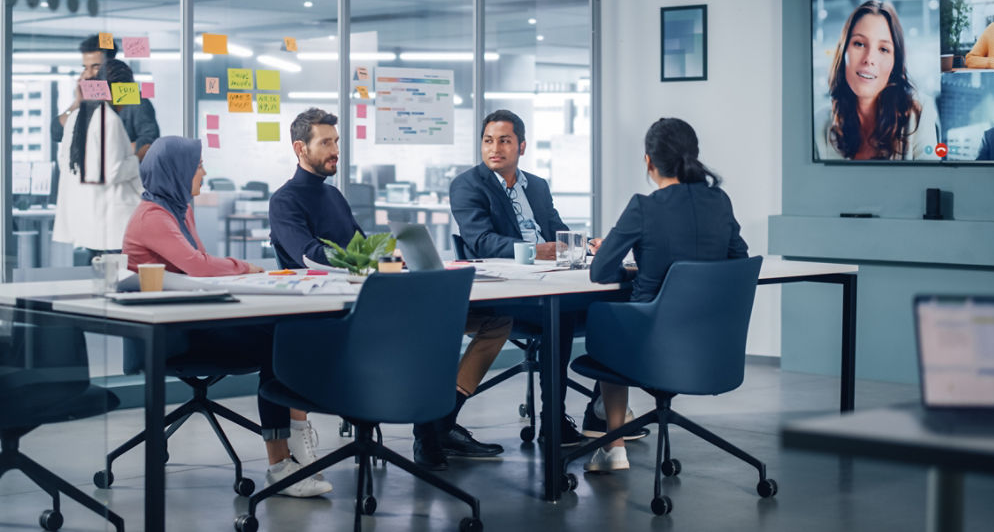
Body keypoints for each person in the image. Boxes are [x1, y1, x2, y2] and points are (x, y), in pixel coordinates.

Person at [269, 108, 510, 471]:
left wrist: (398, 258)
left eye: (336, 141)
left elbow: (365, 247)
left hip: (372, 302)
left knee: (493, 319)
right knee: (425, 331)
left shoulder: (333, 197)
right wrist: (367, 259)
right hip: (337, 317)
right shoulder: (285, 200)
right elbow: (311, 256)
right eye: (326, 143)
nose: (335, 149)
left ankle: (440, 421)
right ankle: (430, 437)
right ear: (300, 148)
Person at [121, 136, 331, 497]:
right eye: (198, 165)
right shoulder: (153, 216)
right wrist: (244, 267)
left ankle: (293, 446)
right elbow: (199, 267)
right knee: (279, 341)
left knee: (285, 333)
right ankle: (282, 463)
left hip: (194, 320)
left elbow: (197, 272)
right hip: (170, 336)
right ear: (178, 172)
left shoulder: (177, 208)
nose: (204, 171)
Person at [449, 109, 646, 447]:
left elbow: (558, 231)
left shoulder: (536, 186)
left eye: (505, 141)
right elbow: (481, 243)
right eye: (488, 141)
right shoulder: (468, 185)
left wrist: (590, 245)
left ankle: (599, 413)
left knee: (619, 305)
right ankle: (553, 423)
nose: (494, 148)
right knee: (564, 309)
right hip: (509, 293)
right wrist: (536, 250)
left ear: (521, 147)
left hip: (551, 278)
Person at [583, 117, 749, 472]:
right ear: (694, 156)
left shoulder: (644, 206)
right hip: (712, 347)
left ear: (648, 161)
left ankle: (613, 446)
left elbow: (599, 272)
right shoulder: (719, 201)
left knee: (606, 316)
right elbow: (739, 260)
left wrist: (632, 270)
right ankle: (609, 423)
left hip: (650, 346)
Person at [814, 0, 938, 161]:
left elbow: (929, 180)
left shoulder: (920, 113)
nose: (869, 59)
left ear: (895, 62)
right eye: (859, 44)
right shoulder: (820, 123)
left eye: (884, 49)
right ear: (843, 51)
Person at [52, 63, 144, 257]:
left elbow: (67, 165)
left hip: (90, 218)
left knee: (101, 275)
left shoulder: (78, 116)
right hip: (113, 221)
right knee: (119, 278)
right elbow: (113, 171)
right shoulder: (108, 119)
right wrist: (138, 157)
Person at [52, 35, 160, 161]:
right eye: (85, 68)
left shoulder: (131, 97)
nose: (87, 75)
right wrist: (77, 103)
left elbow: (150, 144)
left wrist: (103, 151)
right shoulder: (89, 101)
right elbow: (57, 133)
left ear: (111, 63)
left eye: (96, 67)